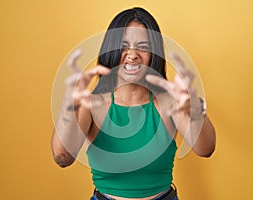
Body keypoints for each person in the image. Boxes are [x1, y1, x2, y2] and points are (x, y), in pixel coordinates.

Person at [51, 7, 216, 200]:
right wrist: (70, 108)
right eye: (123, 46)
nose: (132, 54)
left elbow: (205, 149)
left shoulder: (169, 102)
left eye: (143, 47)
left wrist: (194, 107)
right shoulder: (91, 104)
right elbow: (62, 158)